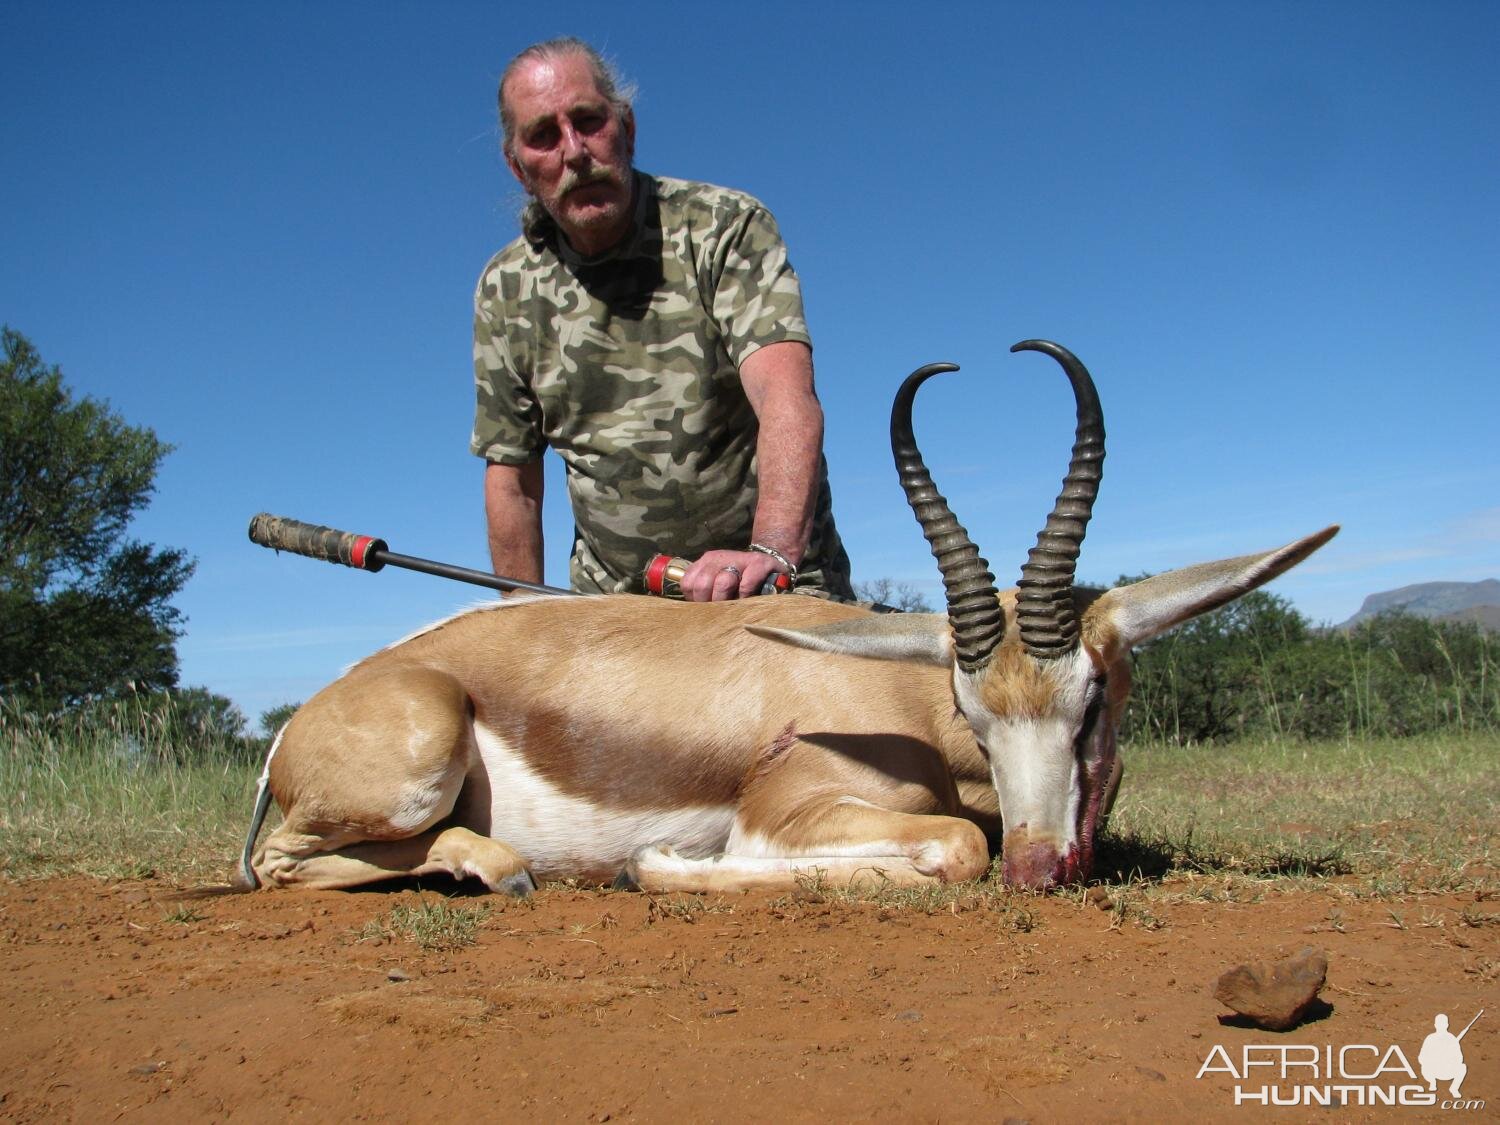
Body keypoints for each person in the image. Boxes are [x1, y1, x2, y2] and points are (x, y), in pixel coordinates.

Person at [471, 37, 852, 601]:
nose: (573, 151)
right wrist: (522, 620)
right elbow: (513, 479)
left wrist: (770, 553)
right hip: (621, 604)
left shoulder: (723, 226)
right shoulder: (503, 288)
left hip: (768, 584)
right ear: (519, 166)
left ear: (625, 127)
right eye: (543, 136)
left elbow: (784, 392)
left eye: (588, 121)